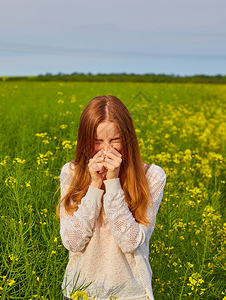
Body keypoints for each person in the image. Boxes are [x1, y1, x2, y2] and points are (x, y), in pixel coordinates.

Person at [57, 95, 166, 300]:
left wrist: (113, 183)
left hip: (130, 295)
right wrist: (95, 185)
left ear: (127, 139)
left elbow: (131, 242)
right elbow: (72, 242)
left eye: (115, 140)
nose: (106, 150)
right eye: (97, 142)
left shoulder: (152, 176)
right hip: (79, 293)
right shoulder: (71, 172)